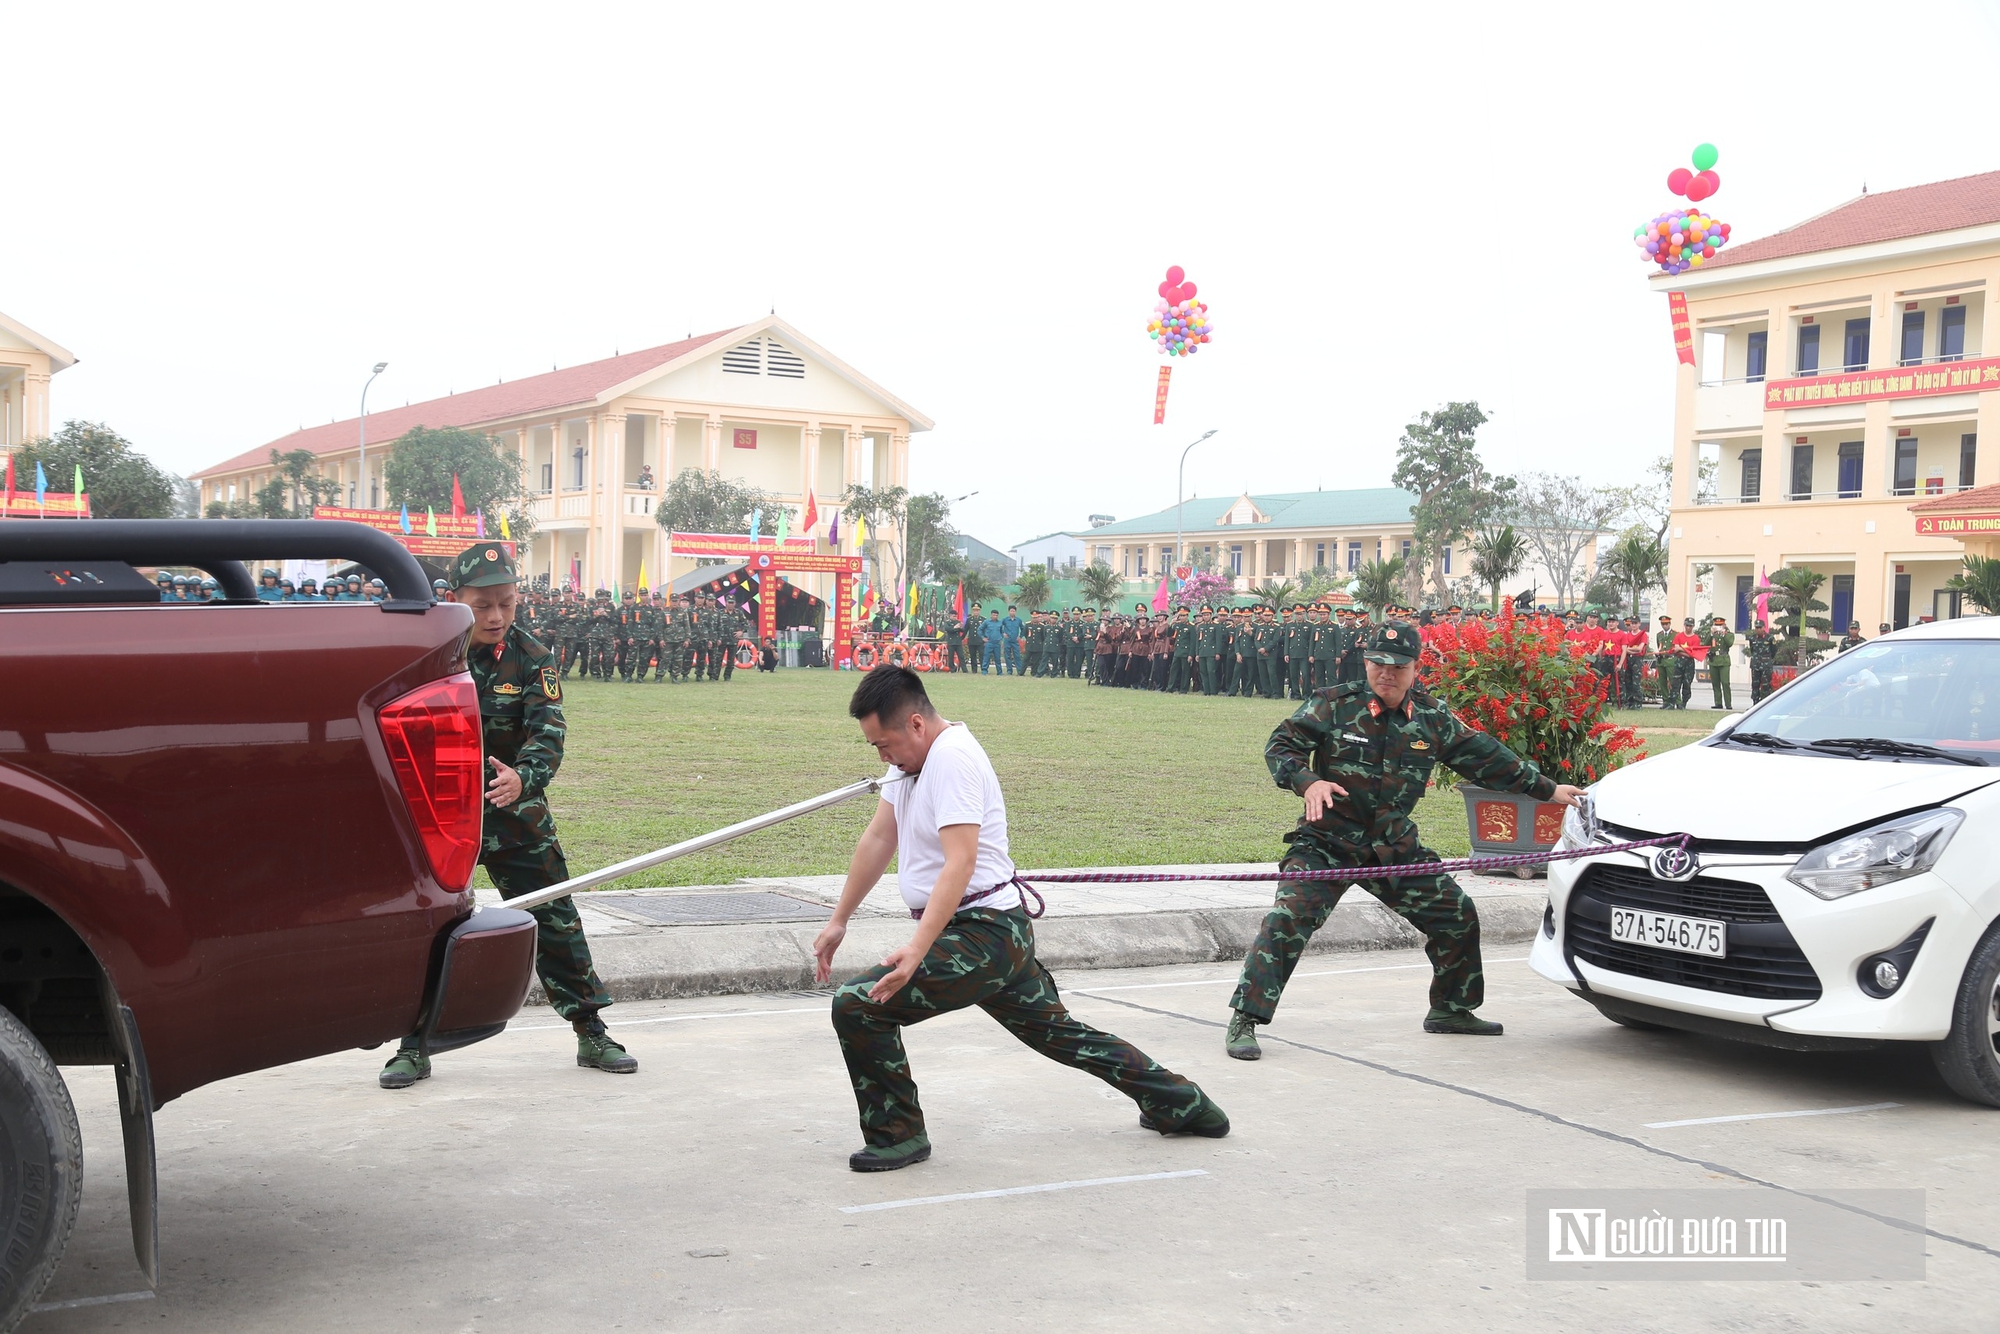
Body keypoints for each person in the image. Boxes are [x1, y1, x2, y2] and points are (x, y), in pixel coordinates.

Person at [812, 666, 1227, 1171]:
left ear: (916, 724)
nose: (881, 756)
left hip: (985, 932)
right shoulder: (910, 767)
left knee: (859, 1005)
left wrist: (918, 948)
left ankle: (897, 1135)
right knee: (1060, 1035)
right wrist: (840, 920)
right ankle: (1181, 1102)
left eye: (883, 743)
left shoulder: (954, 760)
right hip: (980, 931)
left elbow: (960, 863)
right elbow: (880, 838)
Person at [1224, 621, 1584, 1058]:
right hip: (1327, 843)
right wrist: (1307, 781)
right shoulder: (1334, 704)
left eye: (1398, 666)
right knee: (1287, 920)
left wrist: (1548, 790)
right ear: (1366, 663)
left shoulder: (1432, 718)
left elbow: (1486, 757)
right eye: (1377, 664)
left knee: (1455, 913)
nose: (1386, 674)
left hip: (1392, 846)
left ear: (1416, 668)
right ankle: (1246, 1019)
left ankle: (1452, 1009)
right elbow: (1282, 745)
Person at [378, 543, 635, 1088]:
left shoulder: (532, 657)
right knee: (430, 928)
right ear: (453, 600)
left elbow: (548, 732)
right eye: (483, 605)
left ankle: (591, 1030)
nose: (496, 617)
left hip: (515, 817)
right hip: (439, 820)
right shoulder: (426, 653)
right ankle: (412, 1044)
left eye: (508, 603)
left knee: (555, 919)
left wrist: (525, 777)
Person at [1701, 614, 1735, 710]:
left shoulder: (1729, 634)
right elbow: (1705, 643)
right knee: (1715, 683)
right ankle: (1718, 702)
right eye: (1716, 625)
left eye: (1720, 625)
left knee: (1725, 683)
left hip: (1724, 660)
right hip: (1713, 660)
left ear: (1724, 625)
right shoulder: (1713, 635)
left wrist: (1724, 633)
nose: (1718, 628)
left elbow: (1730, 643)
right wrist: (1711, 633)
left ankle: (1728, 703)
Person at [1747, 620, 1776, 703]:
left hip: (1766, 666)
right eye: (1756, 627)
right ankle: (1755, 703)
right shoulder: (1752, 638)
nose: (1758, 629)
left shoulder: (1770, 638)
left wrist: (1767, 659)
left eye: (1760, 627)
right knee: (1755, 685)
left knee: (1766, 685)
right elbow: (1752, 650)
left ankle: (1765, 703)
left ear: (1764, 628)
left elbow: (1773, 651)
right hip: (1755, 665)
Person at [1000, 605, 1023, 676]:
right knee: (1007, 656)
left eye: (1013, 611)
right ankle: (1009, 671)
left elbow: (1023, 628)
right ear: (1008, 611)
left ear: (1015, 612)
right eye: (1011, 611)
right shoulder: (1005, 620)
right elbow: (999, 627)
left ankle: (1019, 671)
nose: (1012, 612)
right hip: (1007, 640)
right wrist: (1003, 633)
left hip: (1015, 641)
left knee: (1017, 656)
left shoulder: (1018, 620)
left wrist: (1020, 636)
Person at [979, 608, 1004, 674]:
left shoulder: (1000, 623)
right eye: (993, 615)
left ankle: (999, 672)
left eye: (996, 615)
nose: (995, 616)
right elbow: (979, 629)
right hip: (989, 642)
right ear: (991, 615)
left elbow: (1002, 631)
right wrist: (983, 638)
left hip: (997, 643)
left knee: (997, 658)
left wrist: (1001, 638)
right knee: (986, 657)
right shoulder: (986, 622)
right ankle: (984, 670)